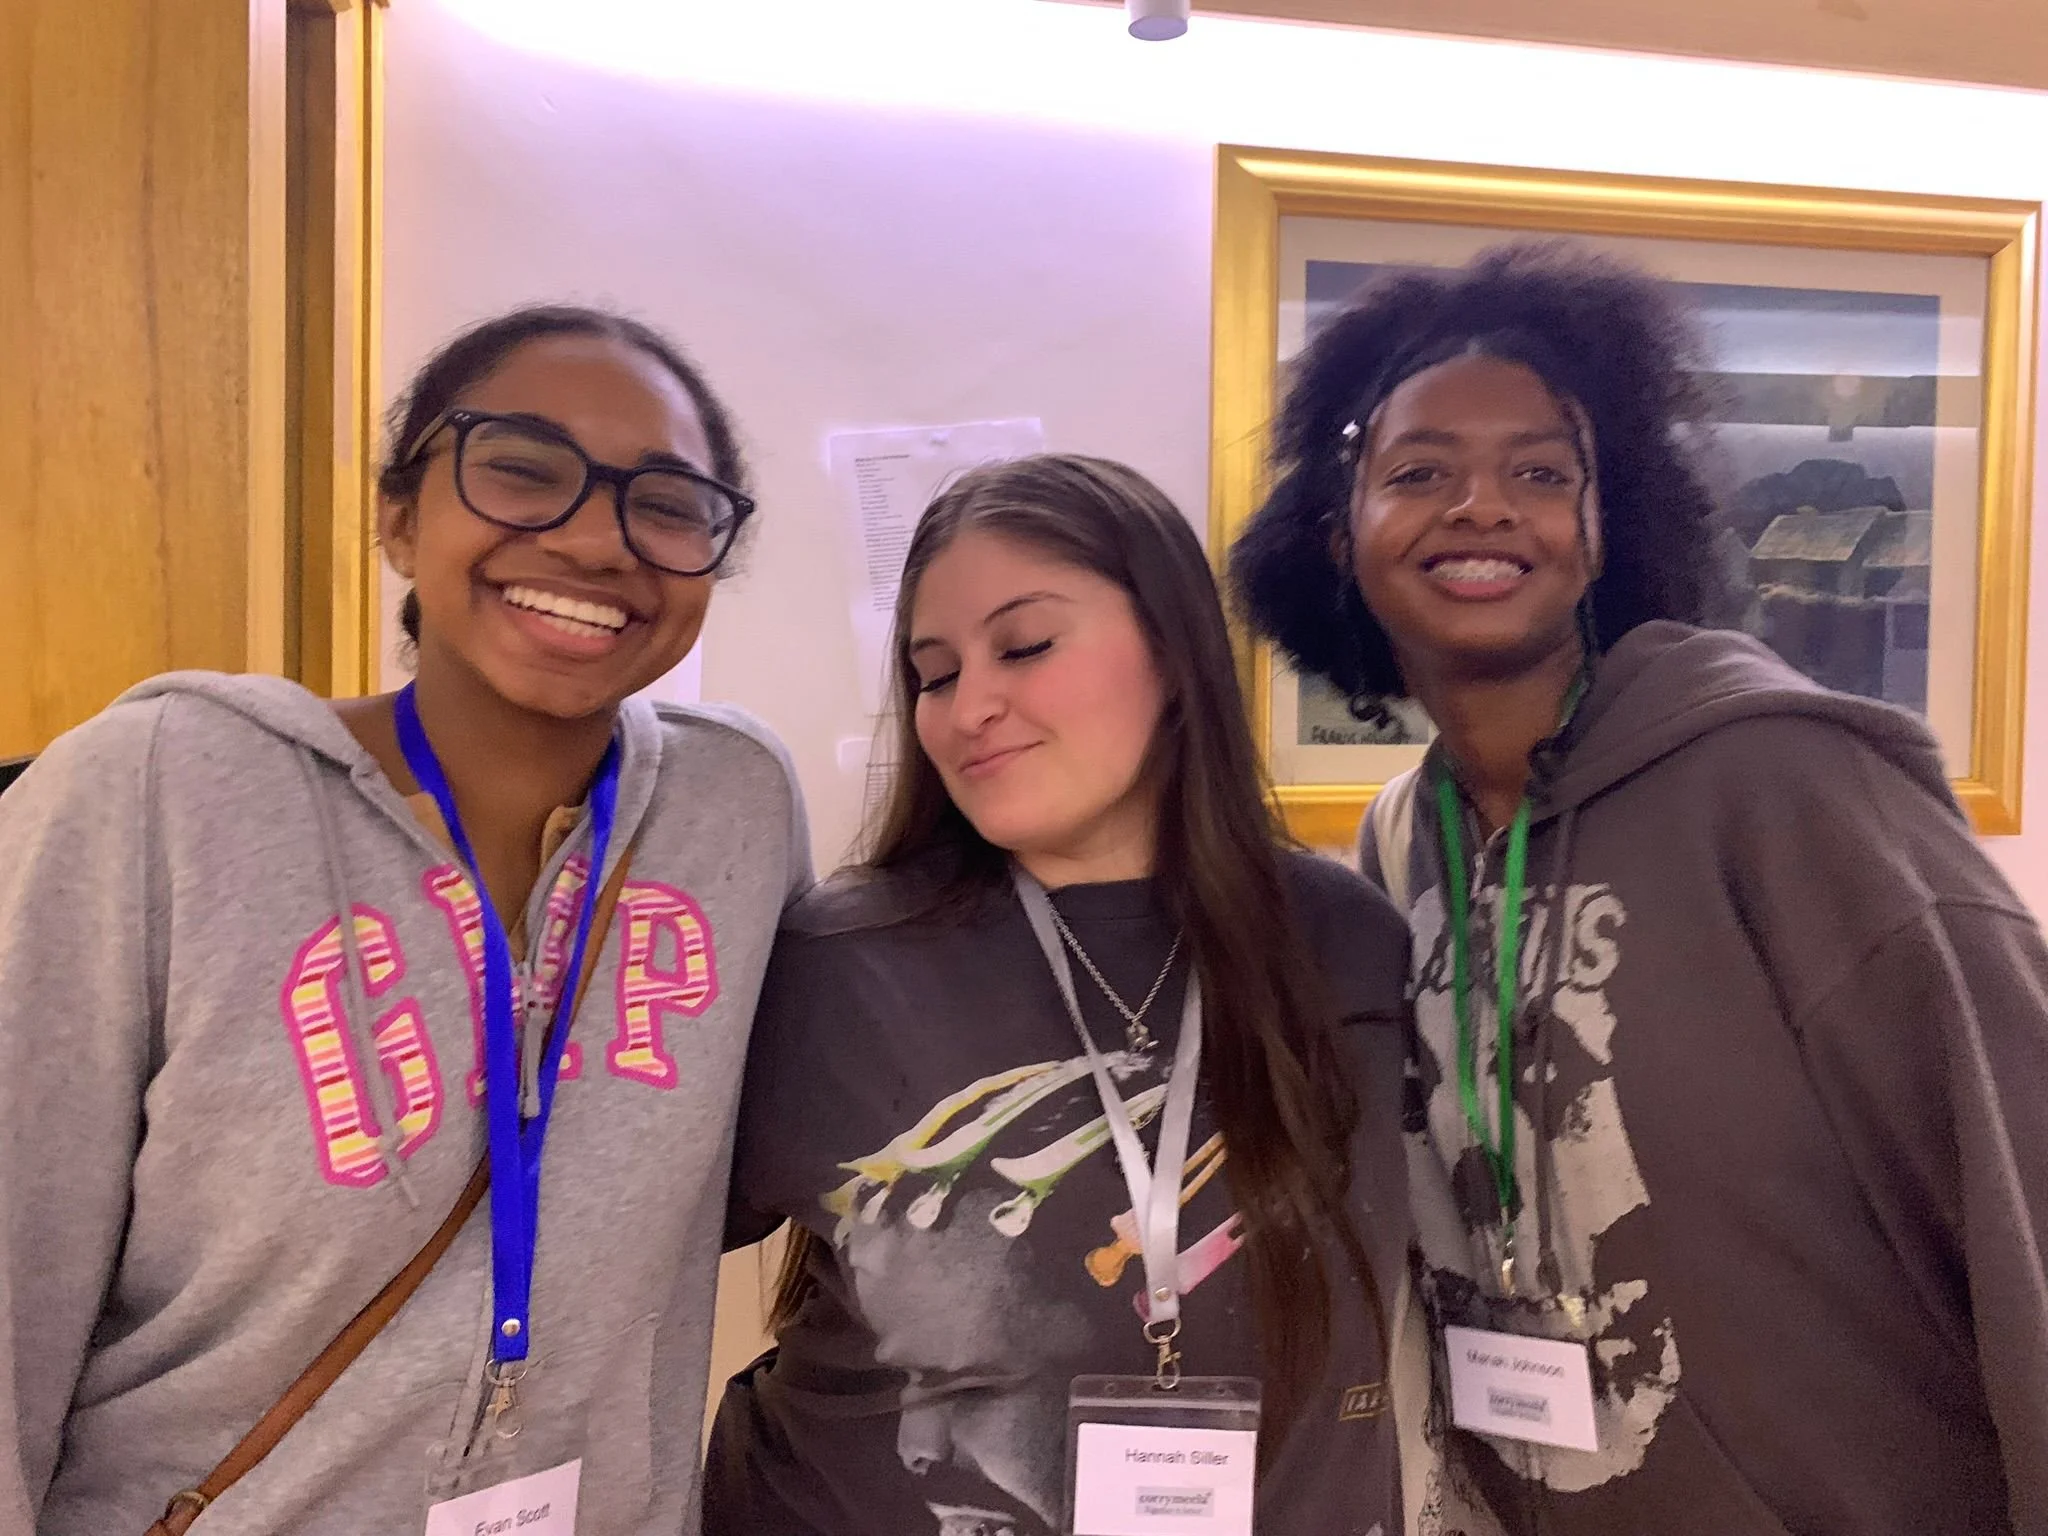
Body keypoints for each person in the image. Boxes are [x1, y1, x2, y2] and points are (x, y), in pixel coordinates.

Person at [1231, 240, 2048, 1536]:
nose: (1483, 507)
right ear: (1340, 534)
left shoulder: (1790, 785)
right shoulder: (1400, 846)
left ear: (1610, 524)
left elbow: (2024, 1193)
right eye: (1422, 472)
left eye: (1542, 473)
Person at [0, 305, 809, 1534]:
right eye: (522, 471)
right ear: (398, 517)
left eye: (668, 504)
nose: (598, 539)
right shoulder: (160, 787)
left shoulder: (733, 809)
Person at [703, 454, 1411, 1536]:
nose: (966, 707)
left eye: (1024, 646)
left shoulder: (1346, 944)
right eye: (932, 674)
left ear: (1175, 653)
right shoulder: (838, 958)